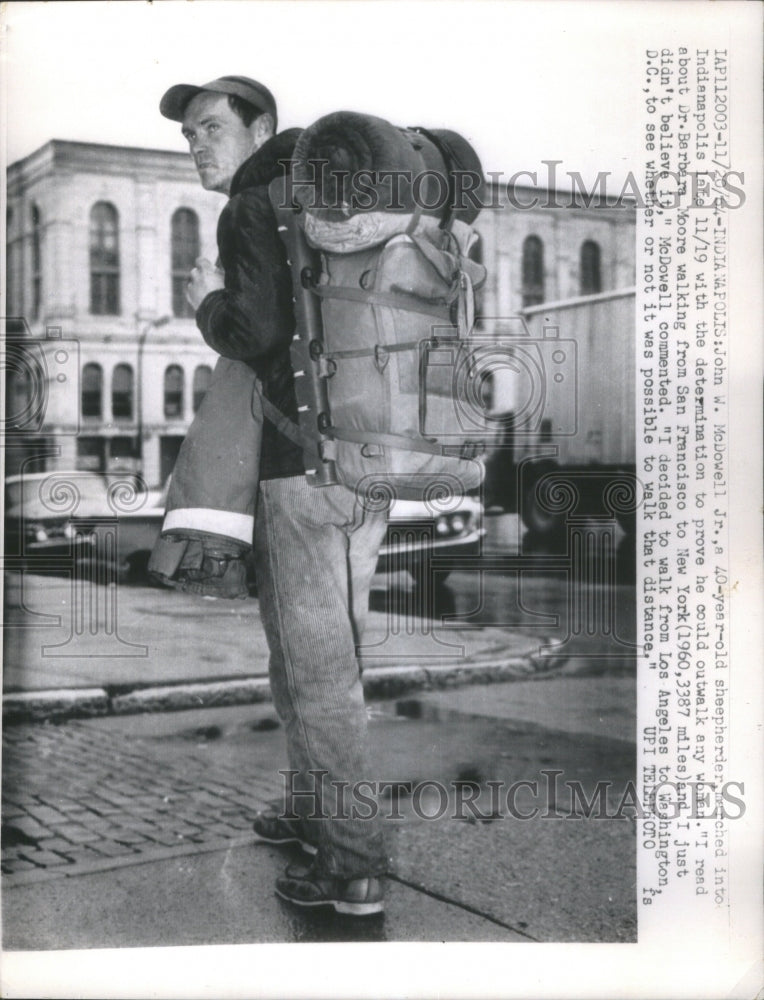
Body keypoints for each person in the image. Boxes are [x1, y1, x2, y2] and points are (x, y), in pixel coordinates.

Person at [158, 76, 389, 915]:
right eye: (189, 135)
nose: (198, 145)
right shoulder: (330, 196)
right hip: (370, 463)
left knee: (316, 670)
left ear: (261, 127)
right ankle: (308, 810)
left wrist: (204, 303)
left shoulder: (254, 204)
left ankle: (353, 865)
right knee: (320, 657)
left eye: (212, 126)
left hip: (302, 472)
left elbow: (252, 334)